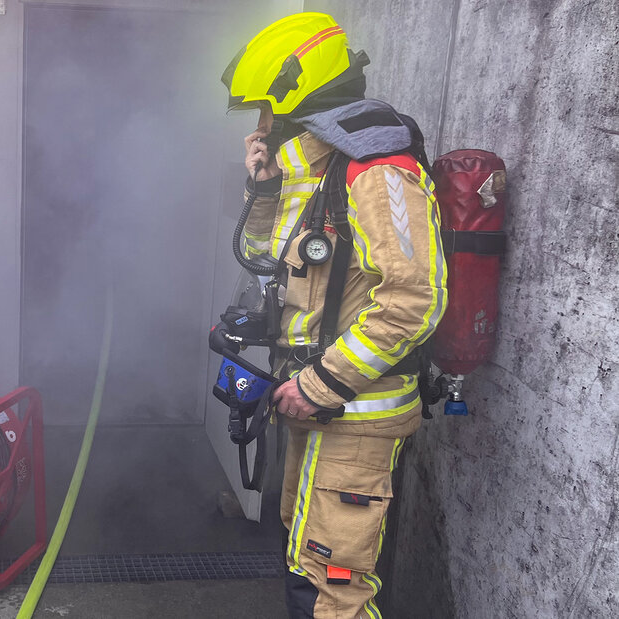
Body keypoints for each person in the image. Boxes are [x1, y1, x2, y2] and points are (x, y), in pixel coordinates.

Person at [221, 13, 447, 618]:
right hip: (316, 408)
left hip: (351, 414)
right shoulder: (316, 173)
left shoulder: (376, 173)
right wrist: (265, 188)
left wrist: (321, 384)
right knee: (305, 561)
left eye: (265, 111)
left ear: (297, 95)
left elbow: (413, 302)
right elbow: (268, 258)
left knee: (334, 589)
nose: (262, 127)